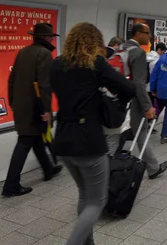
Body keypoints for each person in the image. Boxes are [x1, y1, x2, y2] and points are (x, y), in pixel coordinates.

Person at [50, 23, 136, 245]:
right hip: (88, 139)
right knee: (97, 201)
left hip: (63, 138)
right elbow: (128, 89)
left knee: (85, 194)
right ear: (95, 42)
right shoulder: (95, 63)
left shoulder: (56, 65)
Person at [2, 23, 62, 197]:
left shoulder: (23, 52)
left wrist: (12, 101)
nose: (52, 39)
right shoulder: (44, 54)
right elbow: (44, 86)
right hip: (35, 108)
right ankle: (10, 185)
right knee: (24, 143)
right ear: (44, 38)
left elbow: (12, 79)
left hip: (22, 106)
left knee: (35, 139)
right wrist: (46, 110)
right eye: (51, 36)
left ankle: (48, 169)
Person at [122, 23, 167, 178]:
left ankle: (153, 167)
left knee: (116, 136)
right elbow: (139, 83)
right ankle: (152, 168)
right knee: (141, 133)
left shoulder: (121, 49)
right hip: (133, 102)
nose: (149, 36)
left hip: (117, 102)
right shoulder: (138, 53)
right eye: (147, 33)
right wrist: (148, 106)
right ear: (137, 33)